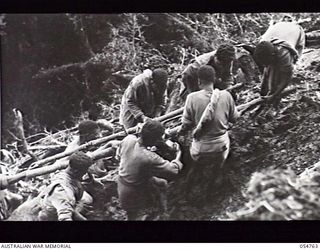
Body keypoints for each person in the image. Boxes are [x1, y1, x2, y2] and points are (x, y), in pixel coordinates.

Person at [178, 65, 240, 201]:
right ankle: (216, 183)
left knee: (192, 156)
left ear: (199, 81)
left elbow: (186, 125)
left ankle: (190, 185)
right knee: (225, 146)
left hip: (200, 151)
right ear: (214, 80)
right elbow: (235, 118)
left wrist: (180, 133)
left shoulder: (191, 98)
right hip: (221, 148)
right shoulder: (226, 95)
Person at [117, 119, 183, 220]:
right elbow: (173, 170)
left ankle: (163, 211)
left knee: (162, 183)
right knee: (134, 216)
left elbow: (118, 155)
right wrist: (178, 154)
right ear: (154, 140)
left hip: (123, 179)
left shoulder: (129, 139)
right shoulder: (149, 157)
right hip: (131, 191)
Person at [8, 152, 93, 221]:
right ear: (76, 171)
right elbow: (65, 218)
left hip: (36, 209)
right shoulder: (62, 191)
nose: (85, 173)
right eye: (84, 171)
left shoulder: (65, 174)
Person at [253, 21, 305, 104]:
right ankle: (268, 91)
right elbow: (266, 69)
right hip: (279, 27)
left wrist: (274, 94)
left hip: (295, 30)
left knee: (282, 71)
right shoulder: (262, 45)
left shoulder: (284, 53)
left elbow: (286, 78)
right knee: (271, 69)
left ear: (273, 55)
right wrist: (263, 90)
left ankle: (275, 97)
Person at [181, 43, 254, 97]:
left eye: (224, 64)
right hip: (194, 78)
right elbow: (189, 76)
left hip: (213, 80)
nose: (222, 66)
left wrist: (228, 88)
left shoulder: (227, 61)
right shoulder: (201, 63)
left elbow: (227, 77)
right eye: (219, 63)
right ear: (215, 56)